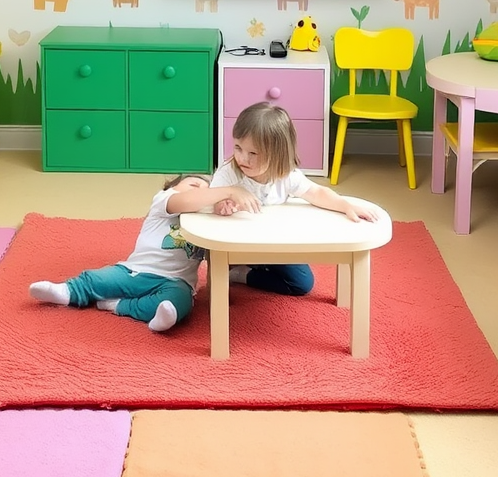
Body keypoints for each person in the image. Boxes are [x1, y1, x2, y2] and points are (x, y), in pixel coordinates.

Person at [28, 173, 260, 332]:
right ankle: (66, 291)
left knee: (178, 304)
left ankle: (120, 306)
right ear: (171, 188)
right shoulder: (165, 201)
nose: (202, 193)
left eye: (208, 191)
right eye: (194, 185)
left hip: (176, 283)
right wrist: (227, 190)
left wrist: (225, 207)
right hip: (137, 271)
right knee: (99, 279)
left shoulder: (204, 219)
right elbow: (188, 200)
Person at [210, 101, 381, 296]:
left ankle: (243, 275)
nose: (242, 158)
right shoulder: (229, 172)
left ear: (276, 155)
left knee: (302, 284)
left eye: (253, 153)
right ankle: (237, 268)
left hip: (274, 246)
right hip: (238, 246)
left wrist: (345, 205)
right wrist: (221, 204)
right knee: (217, 268)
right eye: (238, 147)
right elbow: (212, 201)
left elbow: (316, 193)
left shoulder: (285, 175)